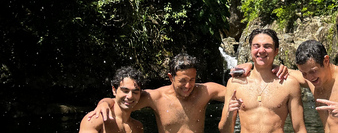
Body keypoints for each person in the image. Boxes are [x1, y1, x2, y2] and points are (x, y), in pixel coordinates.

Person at [88, 53, 288, 133]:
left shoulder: (206, 90)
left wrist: (252, 66)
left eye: (192, 80)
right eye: (182, 80)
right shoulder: (155, 97)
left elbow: (244, 90)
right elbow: (126, 100)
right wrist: (103, 103)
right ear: (170, 77)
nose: (188, 85)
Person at [218, 29, 307, 133]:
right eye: (256, 46)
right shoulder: (235, 83)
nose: (261, 50)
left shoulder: (289, 84)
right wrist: (230, 113)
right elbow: (224, 130)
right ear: (251, 50)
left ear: (276, 51)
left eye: (267, 46)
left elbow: (300, 129)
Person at [79, 66, 145, 133]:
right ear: (114, 90)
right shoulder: (94, 120)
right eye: (125, 91)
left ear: (140, 93)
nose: (130, 96)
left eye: (135, 92)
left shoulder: (137, 127)